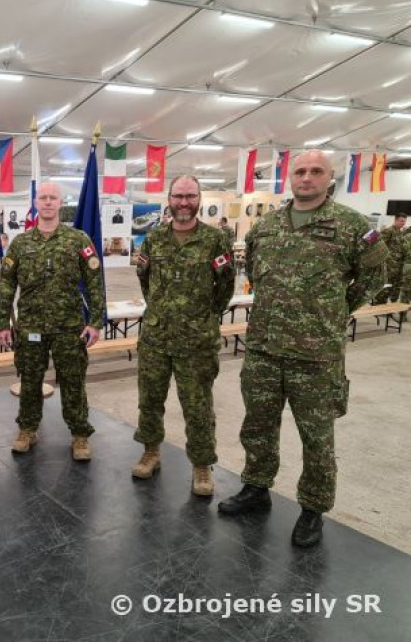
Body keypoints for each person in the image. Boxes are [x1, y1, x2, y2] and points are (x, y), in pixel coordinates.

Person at [218, 150, 388, 547]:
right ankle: (256, 486)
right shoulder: (267, 226)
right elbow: (256, 272)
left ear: (330, 178)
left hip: (316, 356)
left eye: (316, 171)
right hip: (264, 349)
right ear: (289, 178)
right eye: (300, 171)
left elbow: (373, 276)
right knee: (257, 426)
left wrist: (336, 310)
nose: (306, 177)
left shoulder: (351, 225)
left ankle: (313, 508)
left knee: (317, 437)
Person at [132, 176, 235, 495]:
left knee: (197, 406)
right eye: (178, 196)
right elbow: (145, 279)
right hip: (156, 339)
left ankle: (201, 466)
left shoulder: (215, 240)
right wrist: (161, 311)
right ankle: (151, 452)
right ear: (169, 198)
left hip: (197, 342)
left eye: (190, 196)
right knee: (150, 400)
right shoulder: (153, 239)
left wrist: (203, 316)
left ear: (199, 198)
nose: (184, 202)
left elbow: (226, 284)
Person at [0, 181, 106, 461]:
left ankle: (79, 434)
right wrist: (3, 323)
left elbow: (94, 283)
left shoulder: (78, 240)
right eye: (43, 198)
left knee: (73, 382)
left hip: (69, 328)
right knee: (30, 380)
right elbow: (6, 285)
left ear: (60, 203)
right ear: (35, 203)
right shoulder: (21, 244)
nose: (47, 202)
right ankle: (27, 430)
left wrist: (95, 321)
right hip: (30, 327)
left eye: (52, 198)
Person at [372, 213, 407, 305]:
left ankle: (387, 306)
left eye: (404, 221)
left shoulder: (400, 232)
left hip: (397, 266)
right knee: (385, 286)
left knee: (393, 287)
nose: (403, 223)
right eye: (401, 221)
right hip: (388, 265)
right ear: (395, 220)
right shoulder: (388, 231)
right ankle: (377, 304)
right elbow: (379, 245)